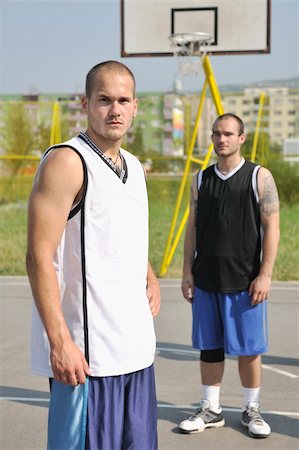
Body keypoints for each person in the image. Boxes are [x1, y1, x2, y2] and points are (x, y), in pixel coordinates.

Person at [26, 60, 161, 450]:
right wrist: (59, 341)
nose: (114, 109)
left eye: (122, 100)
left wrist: (149, 275)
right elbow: (38, 256)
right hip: (89, 358)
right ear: (85, 103)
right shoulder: (67, 162)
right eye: (104, 99)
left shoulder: (134, 167)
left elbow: (126, 232)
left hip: (135, 351)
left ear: (136, 106)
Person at [178, 113, 280, 439]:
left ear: (241, 138)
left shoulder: (259, 177)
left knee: (249, 349)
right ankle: (212, 408)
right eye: (217, 134)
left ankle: (252, 410)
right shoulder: (201, 179)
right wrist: (186, 271)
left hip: (246, 280)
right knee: (209, 347)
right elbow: (192, 228)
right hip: (207, 277)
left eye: (228, 134)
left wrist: (265, 274)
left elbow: (273, 227)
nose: (222, 139)